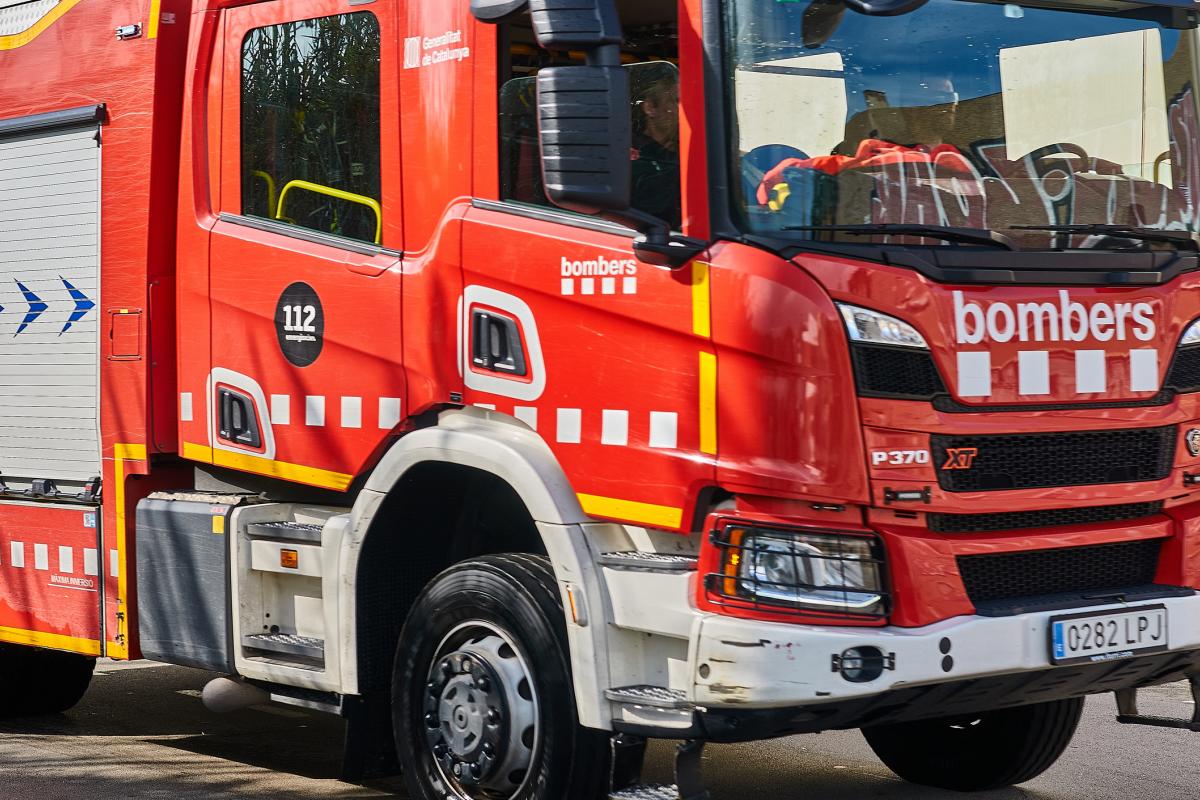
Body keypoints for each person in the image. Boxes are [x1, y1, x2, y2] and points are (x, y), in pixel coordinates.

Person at [630, 64, 682, 229]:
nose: (686, 110)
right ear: (650, 107)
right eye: (676, 101)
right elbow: (649, 203)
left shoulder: (688, 149)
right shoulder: (632, 155)